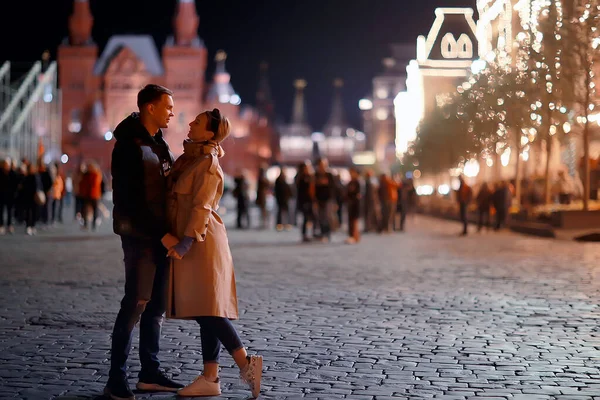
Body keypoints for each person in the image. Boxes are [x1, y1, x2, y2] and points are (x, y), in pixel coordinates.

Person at [164, 108, 262, 398]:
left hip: (201, 241)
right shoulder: (190, 159)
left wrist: (184, 242)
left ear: (210, 133)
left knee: (209, 310)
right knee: (204, 308)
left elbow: (201, 206)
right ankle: (211, 377)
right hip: (193, 239)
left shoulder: (207, 163)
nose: (191, 123)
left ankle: (246, 364)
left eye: (198, 123)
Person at [106, 84, 182, 400]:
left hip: (161, 238)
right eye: (167, 106)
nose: (172, 112)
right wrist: (161, 233)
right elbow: (131, 200)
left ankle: (149, 372)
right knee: (135, 303)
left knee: (156, 308)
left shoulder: (158, 143)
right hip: (140, 238)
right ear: (149, 108)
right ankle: (116, 379)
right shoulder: (128, 146)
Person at [345, 167, 361, 244]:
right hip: (350, 203)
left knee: (355, 221)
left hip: (356, 204)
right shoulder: (350, 182)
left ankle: (355, 236)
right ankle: (351, 236)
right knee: (350, 220)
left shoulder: (358, 182)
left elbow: (358, 194)